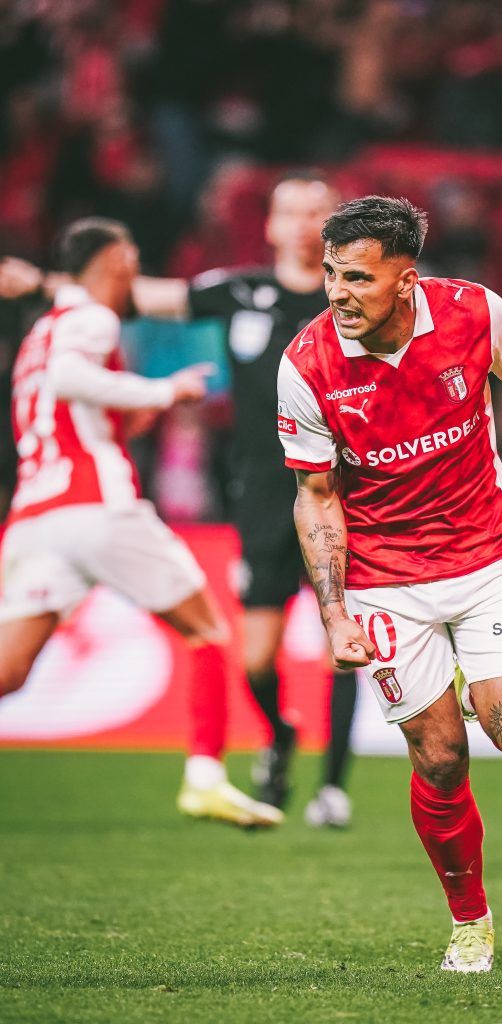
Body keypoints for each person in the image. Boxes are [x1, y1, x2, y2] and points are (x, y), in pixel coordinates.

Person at [277, 195, 502, 972]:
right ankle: (469, 921)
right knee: (437, 758)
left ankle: (469, 675)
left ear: (406, 280)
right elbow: (316, 496)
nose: (336, 292)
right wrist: (334, 613)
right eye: (331, 274)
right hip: (384, 580)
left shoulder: (474, 314)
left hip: (484, 555)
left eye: (357, 277)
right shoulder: (306, 365)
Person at [0, 171, 360, 827]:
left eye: (317, 211)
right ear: (271, 224)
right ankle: (276, 737)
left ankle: (332, 788)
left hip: (343, 488)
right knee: (250, 654)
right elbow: (130, 294)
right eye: (290, 211)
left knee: (343, 641)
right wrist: (42, 285)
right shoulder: (238, 290)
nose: (304, 224)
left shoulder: (356, 298)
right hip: (261, 492)